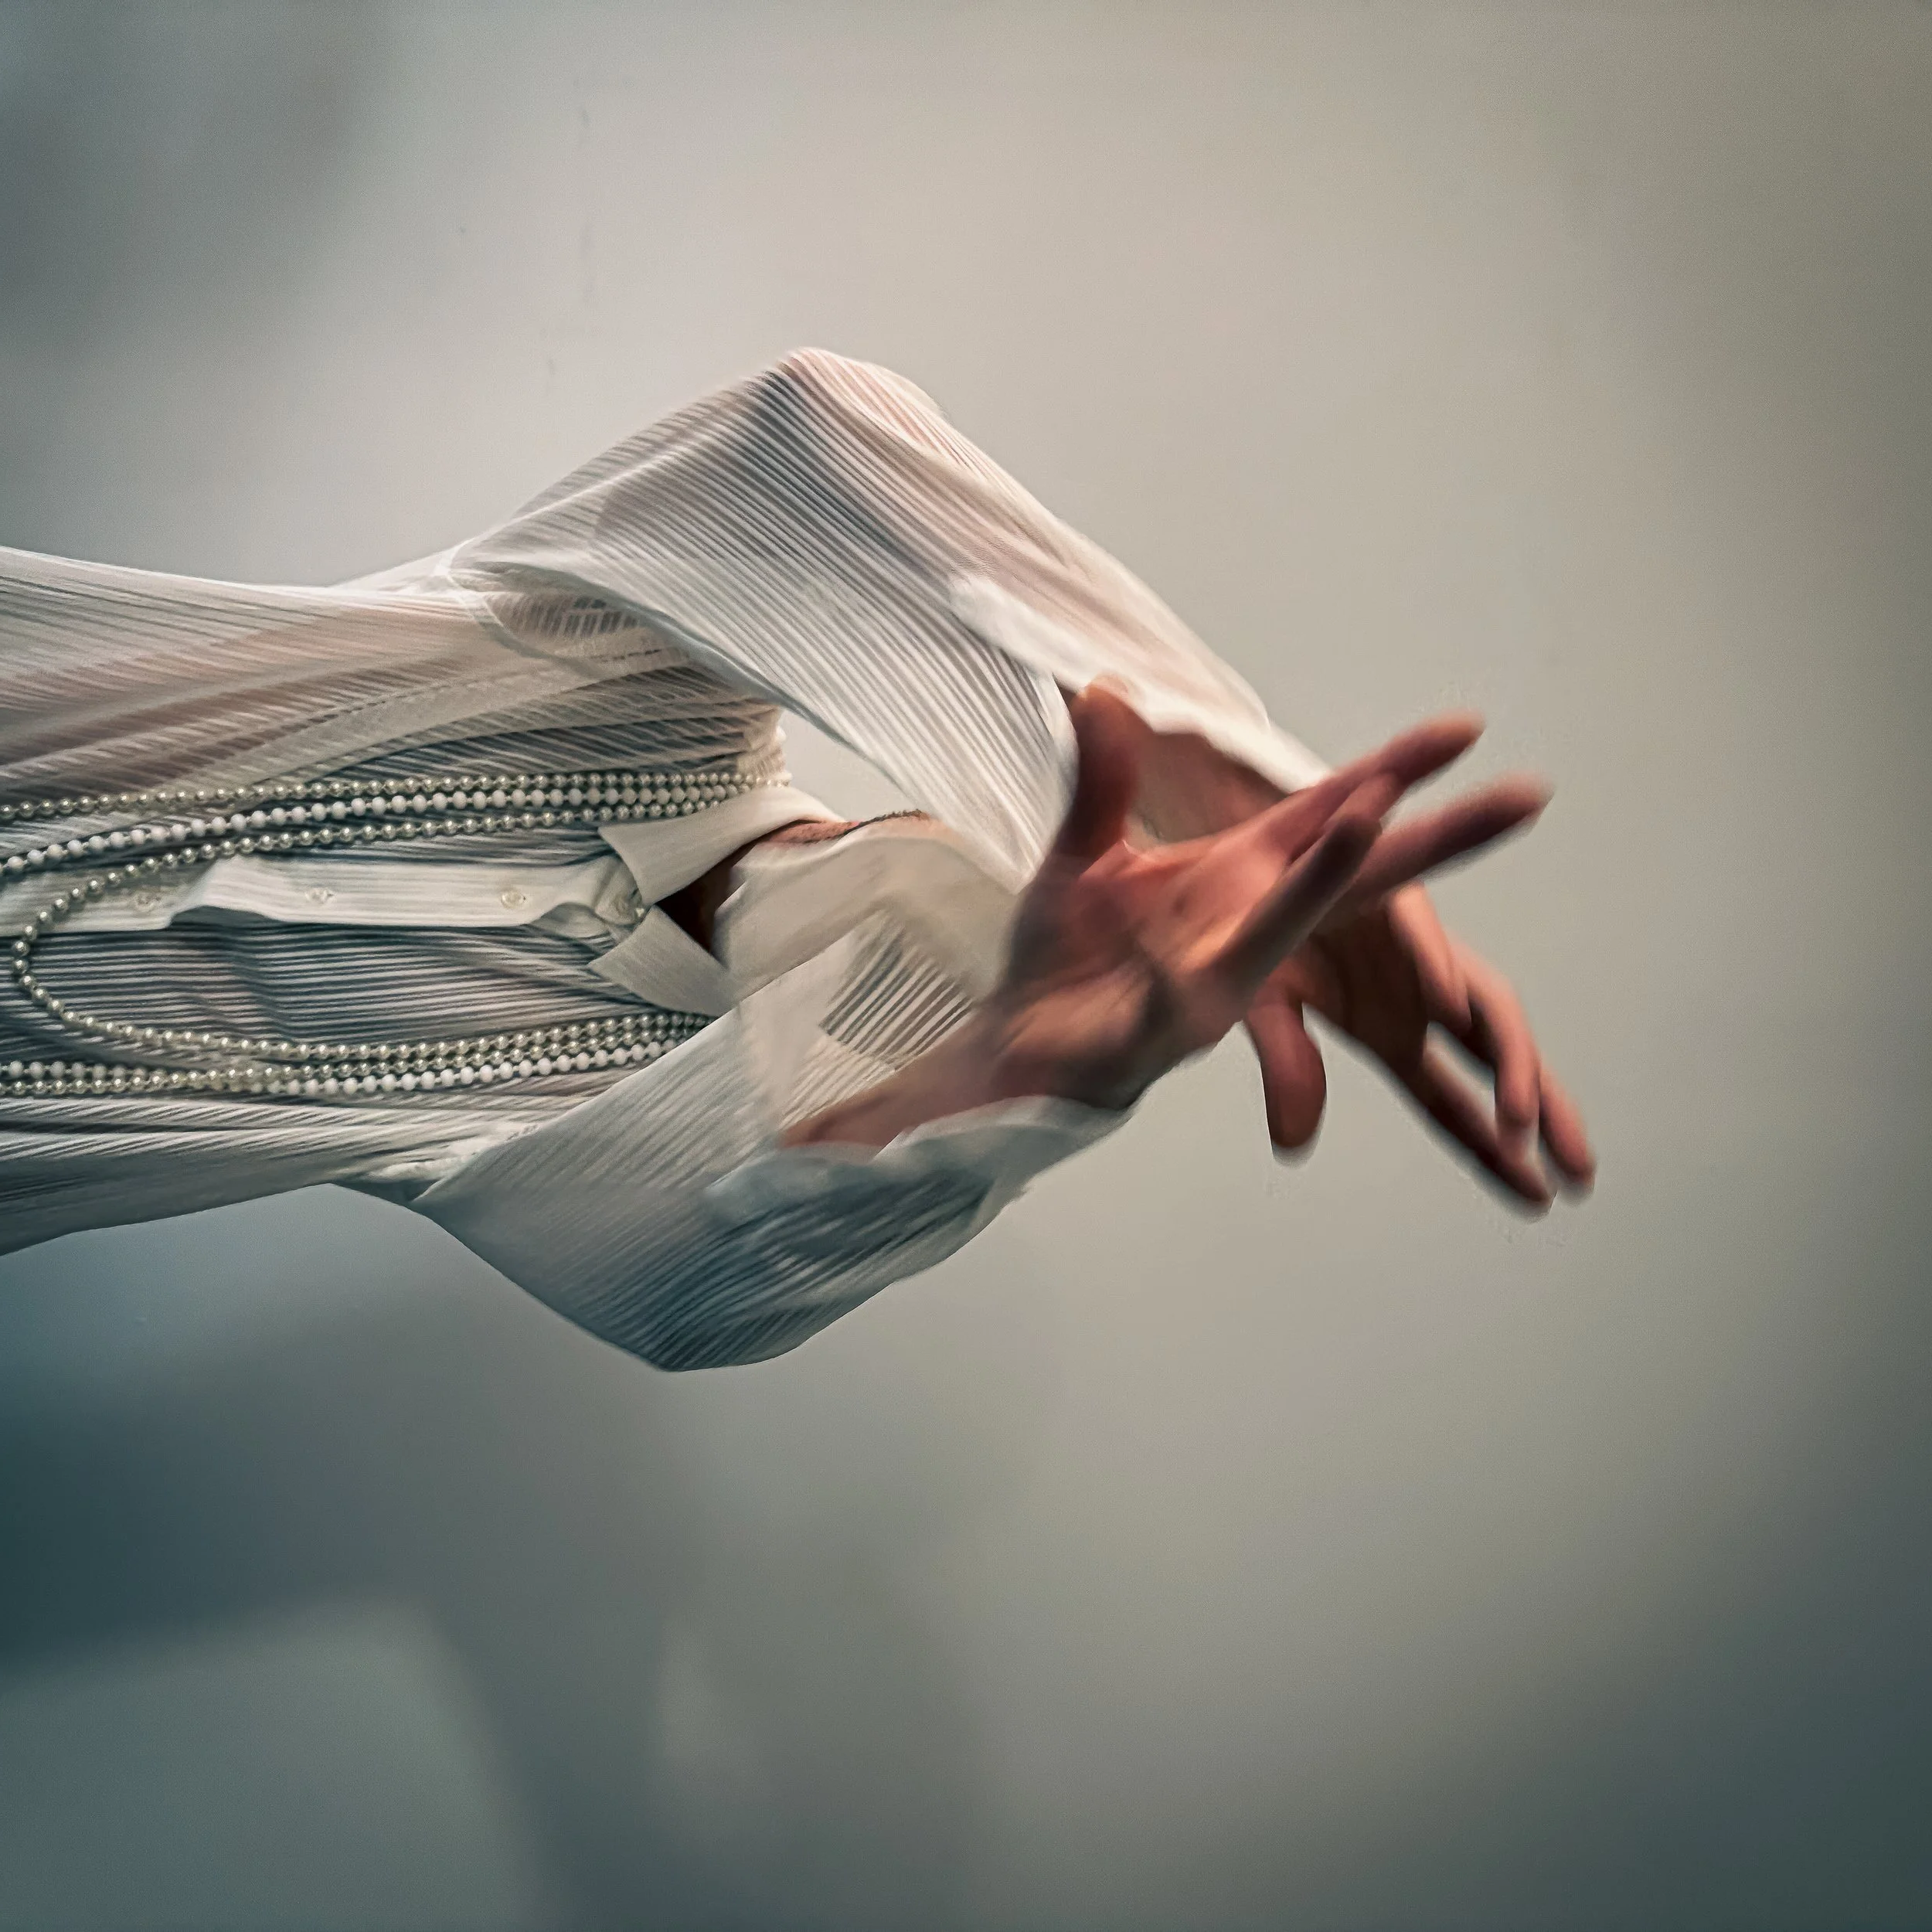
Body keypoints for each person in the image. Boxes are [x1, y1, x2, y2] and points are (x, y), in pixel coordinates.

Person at [0, 350, 1592, 1369]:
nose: (892, 933)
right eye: (953, 900)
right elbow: (804, 448)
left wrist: (996, 1079)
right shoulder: (623, 686)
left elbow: (700, 1276)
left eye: (908, 989)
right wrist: (1220, 777)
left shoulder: (594, 1128)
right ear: (962, 786)